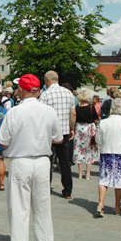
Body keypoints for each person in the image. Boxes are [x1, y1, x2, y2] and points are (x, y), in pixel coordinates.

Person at [0, 74, 63, 241]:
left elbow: (2, 142)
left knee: (19, 209)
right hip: (42, 160)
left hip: (21, 161)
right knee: (43, 208)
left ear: (22, 90)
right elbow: (58, 138)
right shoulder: (49, 111)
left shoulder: (15, 112)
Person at [95, 98, 121, 217]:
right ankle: (117, 206)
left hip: (107, 152)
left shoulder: (103, 122)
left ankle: (101, 203)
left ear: (112, 108)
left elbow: (98, 140)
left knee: (104, 179)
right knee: (120, 181)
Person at [40, 70, 76, 199]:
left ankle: (46, 188)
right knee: (65, 162)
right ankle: (67, 191)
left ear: (48, 80)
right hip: (64, 131)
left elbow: (41, 115)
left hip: (49, 133)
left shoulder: (45, 95)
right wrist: (72, 129)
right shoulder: (69, 94)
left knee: (47, 161)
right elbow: (73, 114)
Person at [71, 90, 100, 179]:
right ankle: (88, 173)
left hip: (79, 128)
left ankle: (80, 173)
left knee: (79, 150)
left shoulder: (76, 107)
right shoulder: (91, 107)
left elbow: (74, 118)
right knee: (89, 151)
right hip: (89, 129)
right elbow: (96, 119)